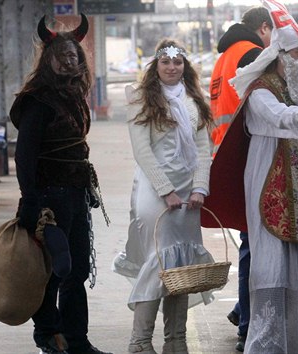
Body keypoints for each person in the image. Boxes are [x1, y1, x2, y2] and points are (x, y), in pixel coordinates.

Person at [203, 0, 298, 352]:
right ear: (282, 55)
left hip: (297, 195)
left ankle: (295, 343)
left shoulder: (291, 89)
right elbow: (288, 121)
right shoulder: (260, 92)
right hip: (269, 194)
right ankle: (268, 345)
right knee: (273, 272)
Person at [10, 14, 111, 354]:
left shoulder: (73, 96)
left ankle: (76, 340)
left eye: (74, 57)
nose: (69, 61)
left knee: (77, 269)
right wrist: (31, 201)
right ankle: (49, 337)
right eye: (62, 57)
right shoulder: (37, 101)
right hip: (49, 197)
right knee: (54, 269)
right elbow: (25, 155)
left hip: (76, 193)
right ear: (48, 61)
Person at [118, 38, 214, 354]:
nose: (172, 68)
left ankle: (176, 341)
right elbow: (142, 150)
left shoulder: (194, 100)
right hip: (153, 190)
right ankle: (140, 342)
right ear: (155, 66)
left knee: (181, 268)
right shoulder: (140, 99)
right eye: (165, 62)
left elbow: (203, 148)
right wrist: (166, 190)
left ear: (185, 67)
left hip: (188, 194)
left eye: (177, 62)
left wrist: (200, 187)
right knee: (155, 261)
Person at [208, 6, 272, 352]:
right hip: (250, 158)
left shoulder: (224, 58)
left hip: (229, 157)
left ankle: (240, 311)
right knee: (255, 248)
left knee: (251, 244)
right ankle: (248, 325)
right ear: (264, 28)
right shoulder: (253, 54)